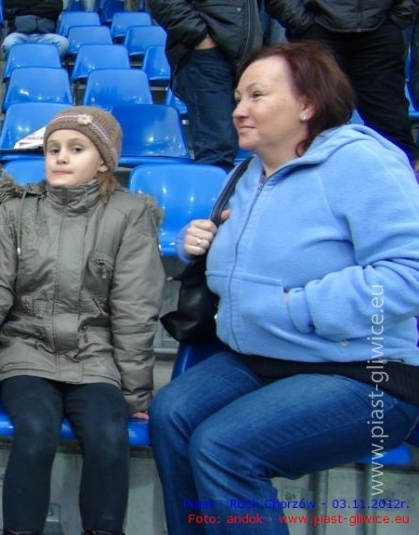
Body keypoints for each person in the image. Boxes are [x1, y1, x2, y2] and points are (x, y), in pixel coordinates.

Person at [149, 42, 419, 533]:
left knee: (222, 446)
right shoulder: (247, 173)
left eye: (256, 95)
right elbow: (252, 266)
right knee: (171, 413)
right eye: (237, 97)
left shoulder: (364, 162)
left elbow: (407, 273)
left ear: (308, 104)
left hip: (362, 371)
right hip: (264, 358)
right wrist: (202, 245)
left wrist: (298, 308)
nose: (238, 109)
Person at [0, 106, 165, 535]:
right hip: (26, 351)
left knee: (109, 437)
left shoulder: (129, 215)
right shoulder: (18, 211)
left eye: (76, 149)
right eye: (53, 149)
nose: (61, 157)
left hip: (95, 356)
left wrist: (135, 393)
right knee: (35, 431)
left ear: (103, 162)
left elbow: (134, 309)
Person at [266, 0, 419, 165]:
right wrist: (301, 22)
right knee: (315, 128)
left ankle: (404, 177)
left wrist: (398, 18)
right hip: (317, 30)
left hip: (380, 30)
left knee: (392, 129)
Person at [148, 0, 261, 170]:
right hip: (208, 54)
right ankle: (213, 188)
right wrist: (200, 37)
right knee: (217, 151)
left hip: (244, 56)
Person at [1, 0, 69, 58]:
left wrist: (22, 11)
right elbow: (9, 4)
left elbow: (56, 6)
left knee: (63, 43)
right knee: (8, 43)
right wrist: (42, 3)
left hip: (46, 35)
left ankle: (47, 65)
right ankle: (19, 66)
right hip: (19, 34)